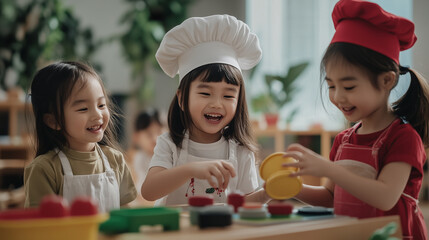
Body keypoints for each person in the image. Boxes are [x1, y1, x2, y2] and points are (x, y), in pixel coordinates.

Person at [282, 1, 428, 239]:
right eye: (331, 85)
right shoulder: (344, 139)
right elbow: (332, 198)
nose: (338, 96)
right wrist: (289, 187)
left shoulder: (403, 137)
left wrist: (327, 168)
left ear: (387, 81)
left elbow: (384, 196)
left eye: (349, 86)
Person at [141, 14, 270, 205]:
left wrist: (268, 192)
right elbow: (149, 191)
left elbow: (245, 202)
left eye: (228, 96)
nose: (217, 104)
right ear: (182, 99)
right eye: (205, 93)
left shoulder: (242, 151)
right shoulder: (169, 144)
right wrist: (192, 169)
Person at [24, 61, 137, 212]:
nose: (97, 114)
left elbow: (126, 212)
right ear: (53, 121)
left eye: (101, 105)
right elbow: (40, 226)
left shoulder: (115, 160)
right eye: (83, 108)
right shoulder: (44, 169)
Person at [127, 109, 163, 206]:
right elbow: (141, 188)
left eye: (159, 132)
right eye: (149, 134)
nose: (155, 138)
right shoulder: (138, 158)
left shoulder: (167, 155)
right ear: (136, 137)